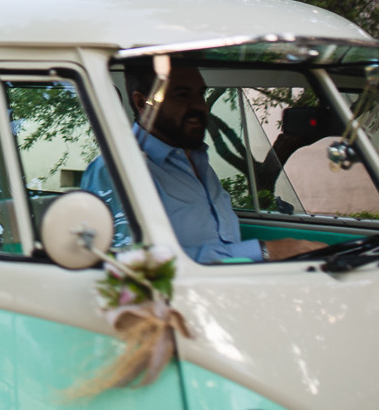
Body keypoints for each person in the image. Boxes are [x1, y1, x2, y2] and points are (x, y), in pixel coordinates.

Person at [81, 58, 327, 263]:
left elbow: (218, 245)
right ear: (141, 103)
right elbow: (130, 263)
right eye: (182, 94)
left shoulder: (196, 160)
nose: (199, 106)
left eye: (201, 93)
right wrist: (264, 251)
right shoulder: (116, 169)